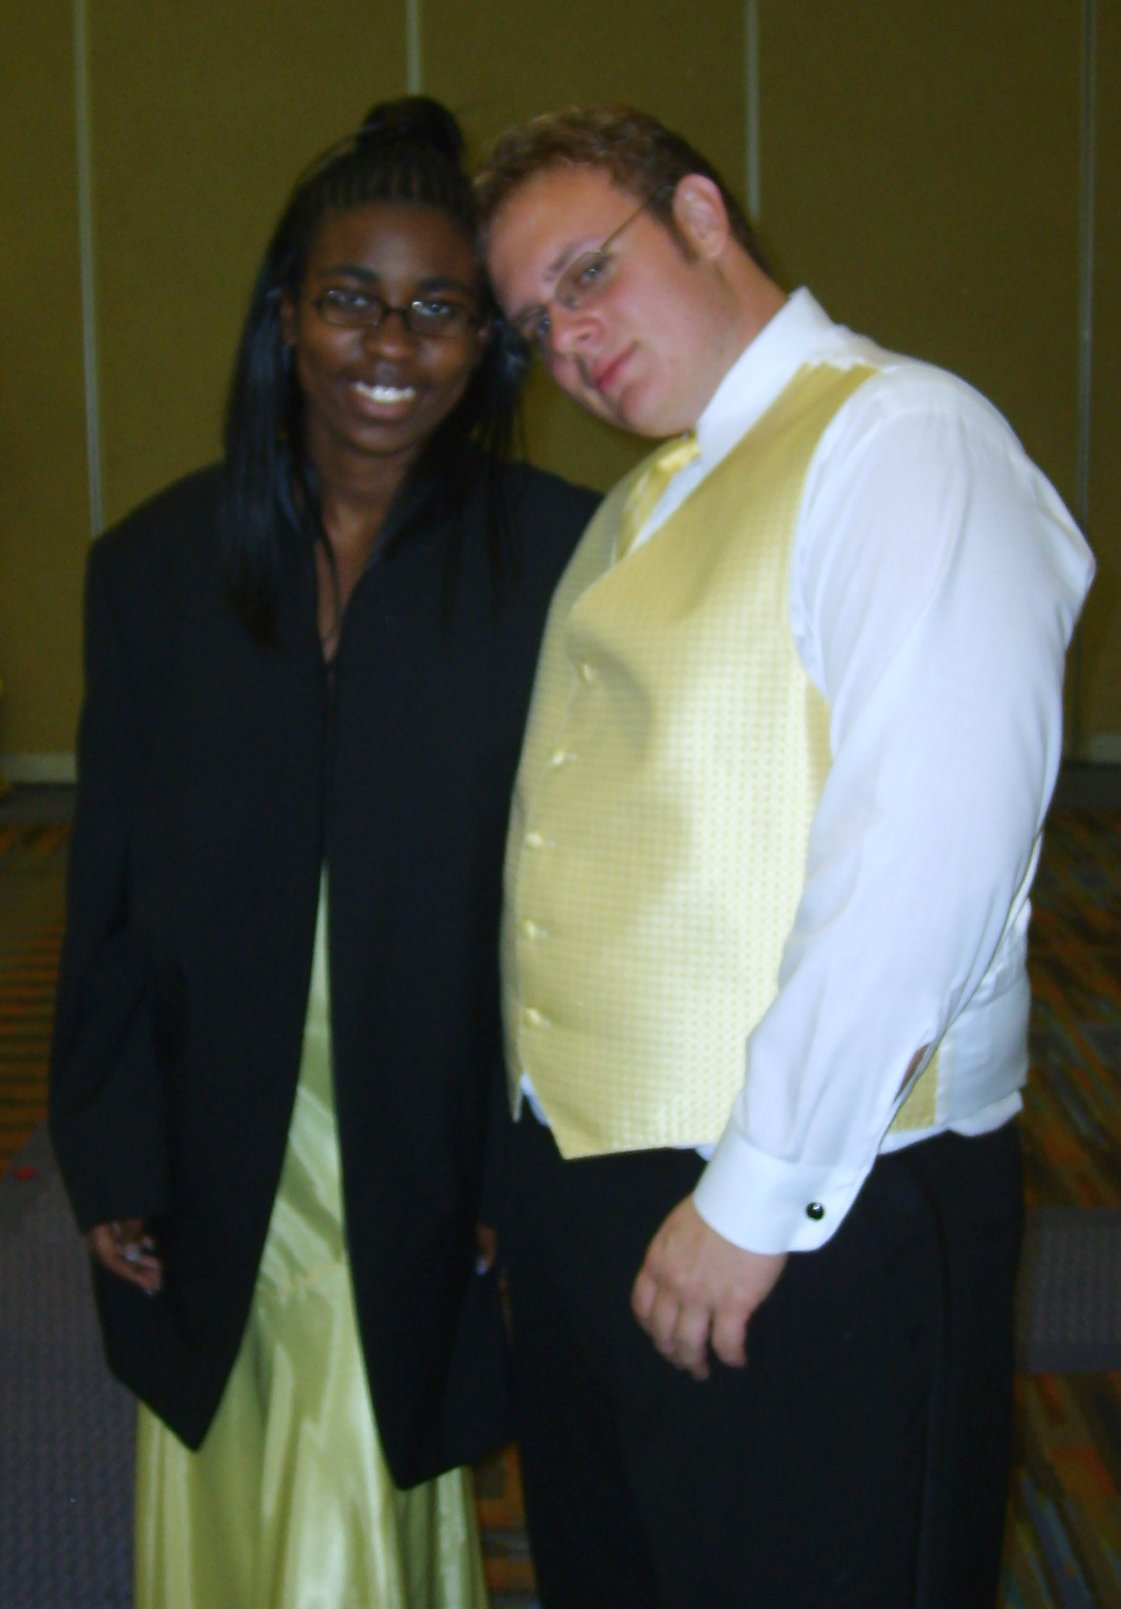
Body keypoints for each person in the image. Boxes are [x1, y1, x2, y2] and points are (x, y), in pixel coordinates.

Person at [475, 107, 1095, 1608]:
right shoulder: (648, 498)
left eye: (585, 273)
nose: (567, 340)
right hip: (610, 1189)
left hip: (820, 1188)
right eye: (533, 325)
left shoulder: (903, 438)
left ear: (700, 215)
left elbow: (927, 857)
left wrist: (758, 1194)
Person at [49, 96, 597, 1609]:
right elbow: (106, 887)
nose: (388, 343)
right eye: (351, 297)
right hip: (219, 1115)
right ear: (285, 315)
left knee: (369, 1440)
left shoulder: (561, 559)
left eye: (438, 309)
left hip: (430, 1114)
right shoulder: (155, 567)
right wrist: (109, 1143)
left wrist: (519, 1162)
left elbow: (578, 901)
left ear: (486, 344)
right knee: (231, 1425)